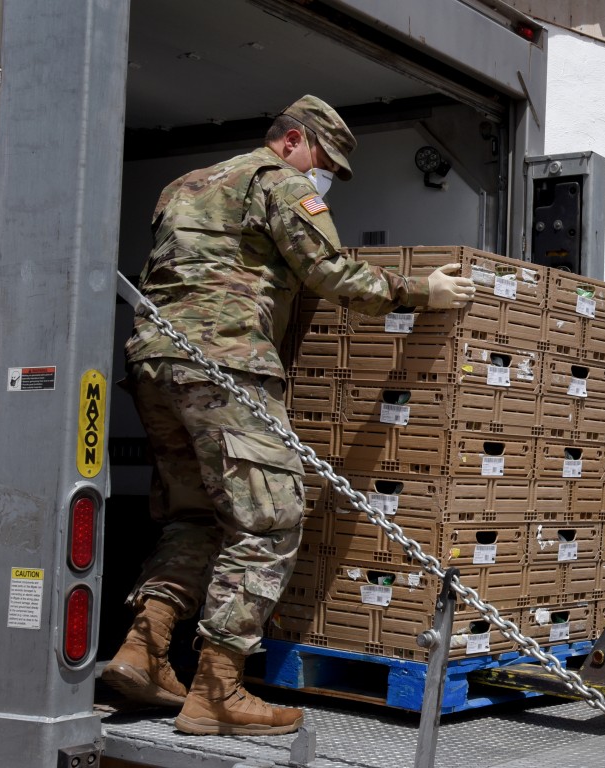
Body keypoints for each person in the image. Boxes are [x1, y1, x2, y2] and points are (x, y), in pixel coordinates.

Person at [103, 95, 476, 736]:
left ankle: (143, 651)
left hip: (155, 363)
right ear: (294, 141)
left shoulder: (184, 184)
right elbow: (329, 271)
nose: (322, 175)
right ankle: (217, 691)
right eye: (323, 160)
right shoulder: (277, 182)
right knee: (271, 520)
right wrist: (422, 292)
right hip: (226, 365)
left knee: (195, 514)